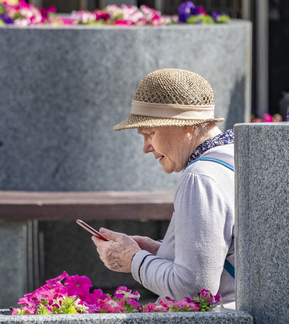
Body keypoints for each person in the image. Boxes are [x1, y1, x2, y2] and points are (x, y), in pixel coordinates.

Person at [92, 69, 236, 306]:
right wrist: (160, 252)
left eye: (150, 133)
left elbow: (195, 291)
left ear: (187, 125)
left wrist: (133, 260)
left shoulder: (199, 177)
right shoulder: (235, 155)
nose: (146, 147)